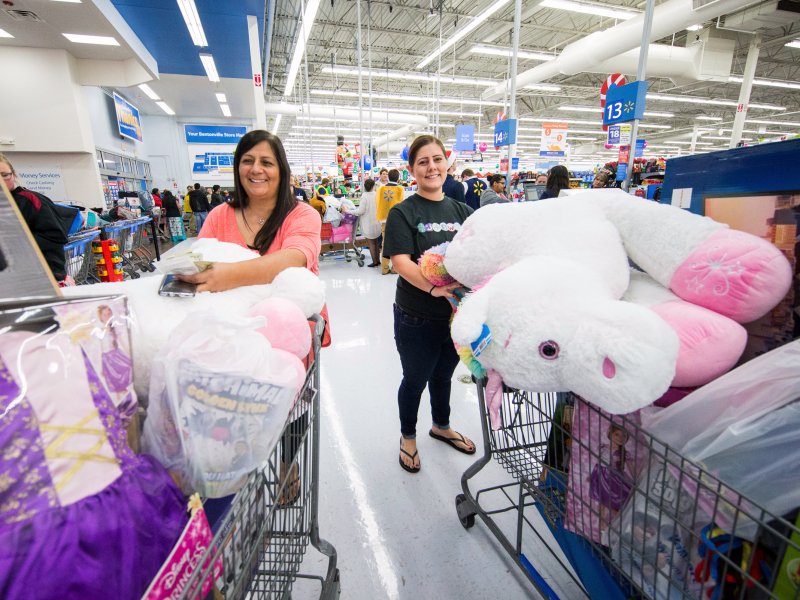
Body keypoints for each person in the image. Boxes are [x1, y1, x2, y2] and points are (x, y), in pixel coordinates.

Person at [383, 135, 476, 474]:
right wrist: (434, 290)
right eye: (423, 162)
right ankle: (408, 436)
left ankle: (440, 425)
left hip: (455, 315)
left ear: (447, 164)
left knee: (444, 375)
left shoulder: (464, 211)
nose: (431, 167)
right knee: (415, 378)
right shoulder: (403, 212)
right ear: (412, 170)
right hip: (416, 316)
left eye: (437, 159)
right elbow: (399, 261)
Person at [177, 130, 322, 291]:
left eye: (266, 163)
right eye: (247, 161)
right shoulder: (218, 216)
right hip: (229, 313)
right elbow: (201, 263)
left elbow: (294, 260)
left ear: (282, 171)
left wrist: (228, 276)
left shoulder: (302, 215)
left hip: (294, 313)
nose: (256, 169)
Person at [0, 153, 68, 281]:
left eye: (4, 175)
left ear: (14, 175)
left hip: (42, 276)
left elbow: (57, 235)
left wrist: (13, 244)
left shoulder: (30, 199)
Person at [343, 178, 381, 267]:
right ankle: (378, 261)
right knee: (376, 243)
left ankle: (375, 262)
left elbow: (360, 211)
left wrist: (348, 211)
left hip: (368, 223)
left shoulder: (365, 196)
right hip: (377, 221)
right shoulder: (377, 195)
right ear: (373, 186)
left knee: (371, 243)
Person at [375, 168, 405, 275]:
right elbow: (402, 205)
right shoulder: (400, 189)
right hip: (396, 219)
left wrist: (379, 217)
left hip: (383, 218)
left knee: (384, 243)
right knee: (395, 244)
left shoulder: (381, 189)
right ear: (398, 178)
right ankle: (394, 268)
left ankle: (384, 268)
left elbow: (377, 203)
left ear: (388, 176)